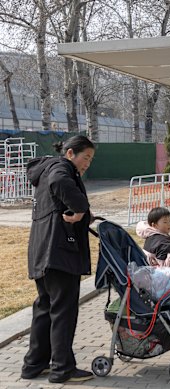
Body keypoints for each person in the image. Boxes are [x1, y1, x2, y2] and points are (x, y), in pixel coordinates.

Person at [22, 135, 95, 383]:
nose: (87, 164)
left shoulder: (45, 170)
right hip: (59, 252)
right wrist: (82, 208)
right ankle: (62, 369)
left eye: (90, 160)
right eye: (86, 157)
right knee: (63, 311)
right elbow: (60, 183)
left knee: (45, 308)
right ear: (70, 153)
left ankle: (34, 365)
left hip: (42, 251)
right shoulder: (60, 168)